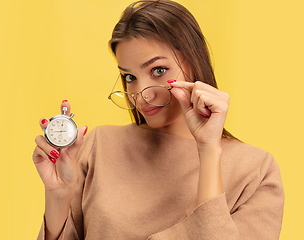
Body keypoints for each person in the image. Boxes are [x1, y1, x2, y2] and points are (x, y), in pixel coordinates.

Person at [33, 0, 284, 239]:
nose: (141, 95)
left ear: (194, 63)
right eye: (130, 77)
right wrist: (58, 195)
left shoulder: (256, 171)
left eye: (158, 71)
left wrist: (209, 150)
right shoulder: (99, 145)